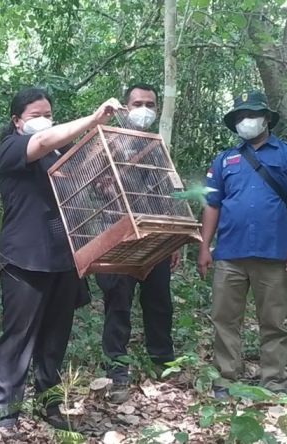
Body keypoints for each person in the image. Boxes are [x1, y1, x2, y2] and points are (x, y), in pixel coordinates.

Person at [0, 87, 122, 436]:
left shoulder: (58, 152)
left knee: (55, 337)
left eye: (48, 113)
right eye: (35, 115)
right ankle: (4, 412)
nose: (44, 119)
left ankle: (48, 401)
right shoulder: (13, 149)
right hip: (25, 258)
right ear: (17, 121)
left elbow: (84, 171)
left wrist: (105, 138)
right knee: (18, 337)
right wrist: (92, 118)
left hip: (63, 258)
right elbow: (43, 142)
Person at [198, 90, 287, 397]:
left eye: (252, 114)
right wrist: (204, 246)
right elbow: (212, 204)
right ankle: (226, 379)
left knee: (273, 322)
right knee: (224, 319)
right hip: (230, 254)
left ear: (266, 118)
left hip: (275, 253)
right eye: (240, 116)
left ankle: (273, 383)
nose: (246, 121)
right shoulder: (225, 159)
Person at [95, 83, 180, 404]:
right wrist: (103, 185)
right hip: (116, 236)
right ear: (125, 108)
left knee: (159, 303)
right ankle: (116, 370)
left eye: (150, 104)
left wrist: (175, 241)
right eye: (138, 103)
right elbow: (86, 186)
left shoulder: (157, 146)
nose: (144, 109)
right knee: (118, 305)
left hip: (155, 237)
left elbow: (168, 194)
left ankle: (163, 362)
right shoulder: (107, 141)